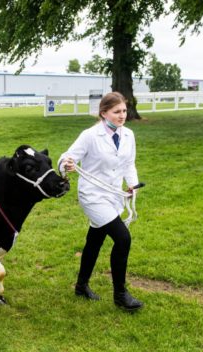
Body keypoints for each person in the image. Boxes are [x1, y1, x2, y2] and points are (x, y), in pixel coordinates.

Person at [58, 91, 143, 312]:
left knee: (94, 240)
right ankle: (120, 294)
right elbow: (66, 157)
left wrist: (132, 184)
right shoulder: (89, 135)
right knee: (123, 239)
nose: (122, 115)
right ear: (103, 113)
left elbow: (129, 164)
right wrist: (65, 165)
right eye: (117, 112)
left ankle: (81, 286)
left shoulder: (129, 135)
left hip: (114, 196)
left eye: (124, 110)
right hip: (93, 197)